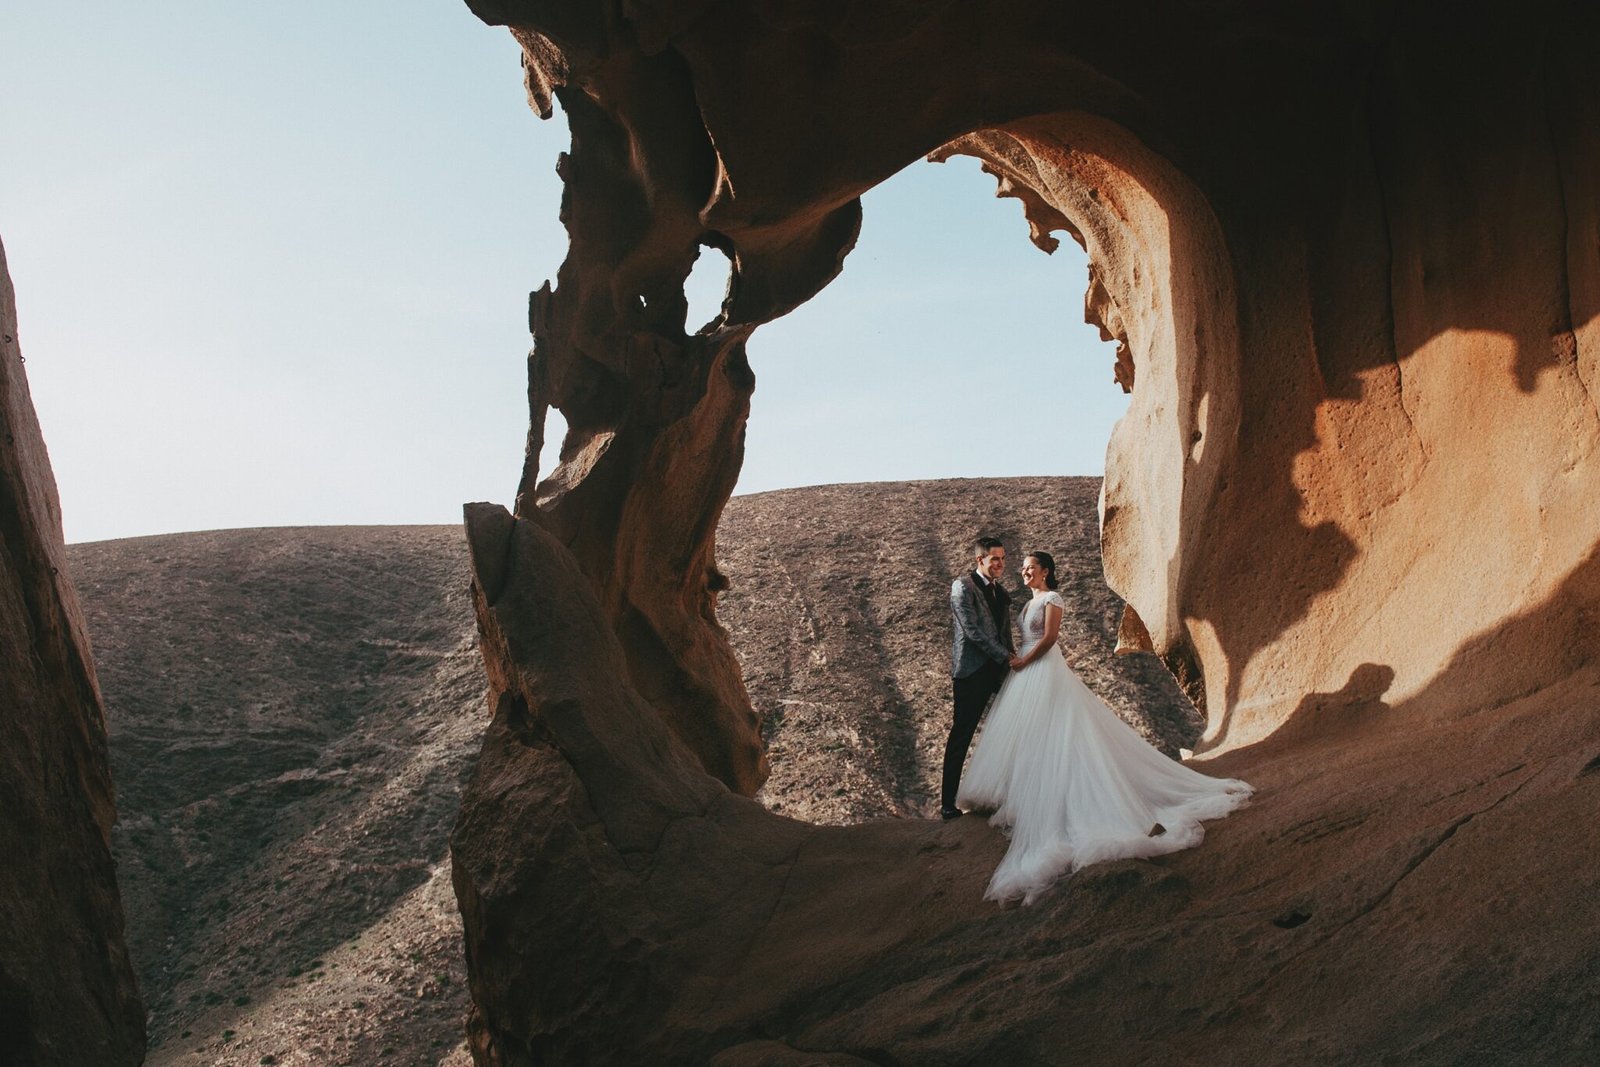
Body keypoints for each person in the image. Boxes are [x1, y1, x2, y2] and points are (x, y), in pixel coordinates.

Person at [958, 550, 1252, 904]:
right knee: (1031, 734)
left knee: (1059, 730)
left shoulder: (1053, 598)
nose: (1024, 571)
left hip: (1043, 668)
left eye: (1030, 567)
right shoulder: (1026, 603)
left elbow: (1050, 639)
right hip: (1025, 674)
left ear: (1045, 571)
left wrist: (1023, 660)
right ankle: (1020, 793)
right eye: (1022, 568)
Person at [941, 536, 1015, 820]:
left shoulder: (1000, 591)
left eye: (1003, 558)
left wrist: (1013, 660)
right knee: (962, 734)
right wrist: (1006, 656)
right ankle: (948, 803)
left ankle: (1004, 795)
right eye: (995, 558)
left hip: (1000, 671)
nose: (1000, 564)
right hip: (971, 672)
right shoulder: (962, 587)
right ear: (980, 559)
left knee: (1009, 731)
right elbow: (972, 630)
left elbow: (1003, 632)